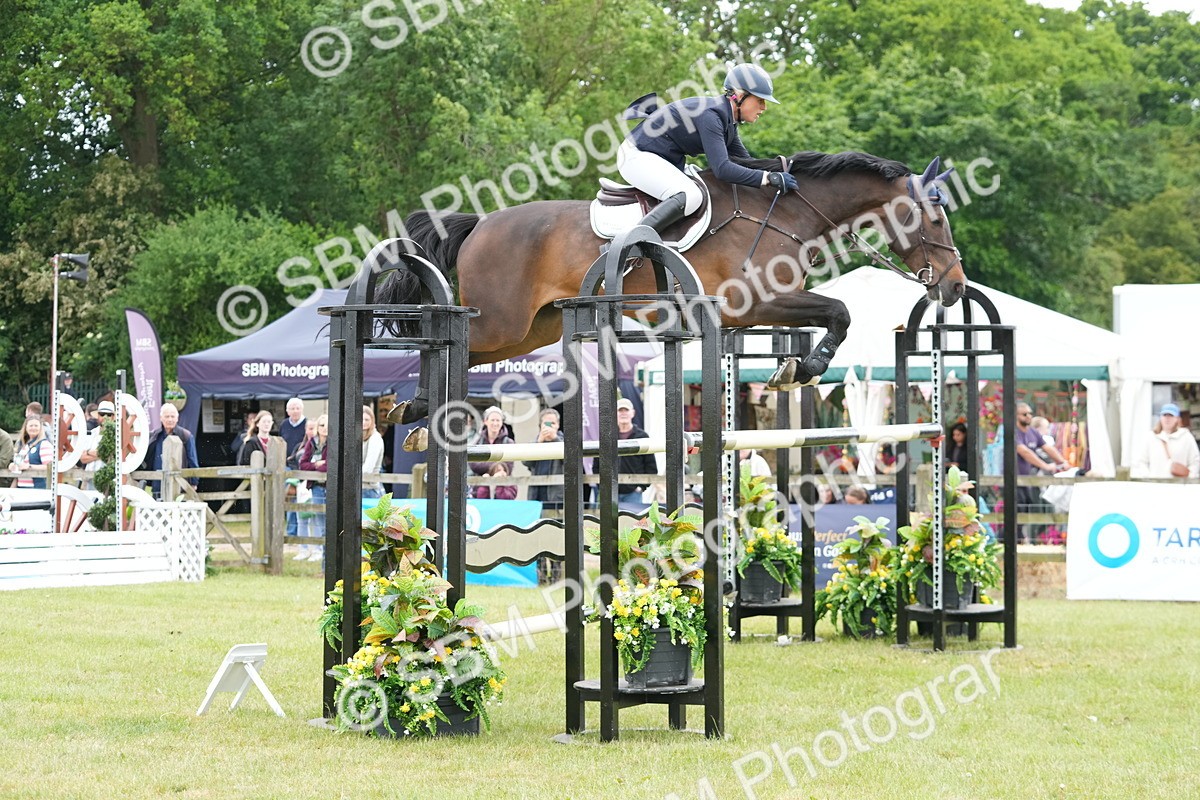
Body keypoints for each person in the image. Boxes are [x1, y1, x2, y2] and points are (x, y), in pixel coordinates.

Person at [616, 63, 795, 237]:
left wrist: (780, 171)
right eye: (760, 100)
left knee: (707, 191)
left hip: (658, 158)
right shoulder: (711, 116)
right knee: (690, 195)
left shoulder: (727, 122)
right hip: (636, 156)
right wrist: (768, 178)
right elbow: (722, 169)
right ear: (740, 95)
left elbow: (745, 162)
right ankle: (627, 244)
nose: (764, 107)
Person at [1014, 402, 1058, 544]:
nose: (1028, 416)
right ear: (1016, 416)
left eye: (1030, 413)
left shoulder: (1033, 432)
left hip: (1031, 481)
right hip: (1015, 480)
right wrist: (1045, 465)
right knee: (1018, 513)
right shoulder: (1013, 432)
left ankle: (1028, 540)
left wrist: (1063, 462)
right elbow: (1024, 452)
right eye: (1024, 414)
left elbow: (1048, 448)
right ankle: (1019, 541)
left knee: (1035, 511)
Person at [143, 403, 200, 499]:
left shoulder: (186, 436)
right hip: (157, 486)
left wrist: (194, 482)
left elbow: (192, 460)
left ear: (177, 419)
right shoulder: (155, 436)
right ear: (161, 418)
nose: (170, 419)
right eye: (167, 416)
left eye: (172, 416)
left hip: (180, 487)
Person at [1132, 403, 1200, 479]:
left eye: (1171, 415)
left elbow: (1195, 462)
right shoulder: (1150, 437)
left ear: (1177, 419)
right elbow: (1141, 462)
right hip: (1155, 486)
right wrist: (1148, 478)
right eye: (1164, 415)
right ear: (1160, 417)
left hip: (1180, 487)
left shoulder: (1186, 437)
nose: (1167, 418)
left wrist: (1189, 479)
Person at [299, 414, 329, 564]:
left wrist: (319, 465)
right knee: (320, 522)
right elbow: (303, 464)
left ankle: (326, 561)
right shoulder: (312, 442)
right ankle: (323, 561)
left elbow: (330, 465)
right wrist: (317, 464)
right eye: (322, 425)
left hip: (330, 486)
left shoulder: (334, 441)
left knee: (329, 524)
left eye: (328, 425)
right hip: (316, 486)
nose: (325, 428)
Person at [470, 406, 517, 500]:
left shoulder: (509, 442)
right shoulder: (477, 441)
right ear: (485, 421)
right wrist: (497, 465)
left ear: (502, 422)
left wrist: (485, 464)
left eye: (498, 420)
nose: (495, 423)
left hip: (503, 490)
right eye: (492, 420)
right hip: (479, 488)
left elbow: (509, 467)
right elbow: (473, 465)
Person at [615, 398, 657, 504]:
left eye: (626, 410)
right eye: (620, 411)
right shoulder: (607, 436)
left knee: (634, 520)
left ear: (632, 413)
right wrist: (602, 486)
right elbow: (597, 464)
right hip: (610, 492)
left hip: (633, 494)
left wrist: (640, 487)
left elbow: (651, 467)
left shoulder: (642, 436)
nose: (623, 414)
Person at [278, 398, 308, 541]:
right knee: (289, 499)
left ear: (302, 409)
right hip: (287, 466)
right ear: (287, 410)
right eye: (292, 408)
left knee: (301, 499)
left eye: (297, 408)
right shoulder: (284, 425)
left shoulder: (307, 424)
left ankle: (302, 532)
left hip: (301, 467)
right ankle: (291, 532)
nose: (295, 411)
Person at [525, 408, 565, 511]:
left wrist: (555, 439)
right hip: (536, 495)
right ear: (540, 425)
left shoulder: (564, 442)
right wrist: (538, 443)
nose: (550, 426)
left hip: (556, 496)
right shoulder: (535, 442)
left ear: (558, 425)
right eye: (547, 423)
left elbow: (570, 461)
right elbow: (526, 462)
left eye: (553, 423)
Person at [13, 416, 53, 489]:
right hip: (21, 487)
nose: (33, 428)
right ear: (26, 428)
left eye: (36, 425)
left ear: (41, 428)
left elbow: (50, 466)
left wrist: (29, 466)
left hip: (36, 488)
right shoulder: (24, 446)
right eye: (31, 425)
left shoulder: (44, 444)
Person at [362, 405, 385, 499]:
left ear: (372, 420)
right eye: (361, 419)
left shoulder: (375, 438)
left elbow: (368, 468)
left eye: (367, 419)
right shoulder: (358, 437)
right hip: (358, 487)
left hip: (369, 489)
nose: (363, 422)